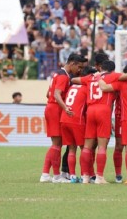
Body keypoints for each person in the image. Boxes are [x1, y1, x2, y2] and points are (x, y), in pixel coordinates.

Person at [71, 60, 122, 184]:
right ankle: (99, 177)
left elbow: (74, 80)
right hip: (103, 110)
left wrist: (91, 79)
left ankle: (85, 177)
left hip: (91, 110)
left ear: (101, 68)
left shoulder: (91, 77)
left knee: (87, 146)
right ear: (112, 70)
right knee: (102, 146)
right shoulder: (114, 76)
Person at [40, 53, 86, 183]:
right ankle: (56, 176)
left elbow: (48, 93)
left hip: (51, 107)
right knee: (57, 144)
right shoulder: (64, 77)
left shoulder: (57, 73)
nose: (79, 70)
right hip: (55, 109)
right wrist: (65, 107)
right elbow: (55, 94)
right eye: (79, 67)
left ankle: (45, 174)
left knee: (56, 144)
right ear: (72, 64)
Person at [61, 66, 96, 183]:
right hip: (77, 120)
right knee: (84, 148)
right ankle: (84, 175)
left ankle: (72, 176)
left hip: (64, 118)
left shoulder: (72, 86)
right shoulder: (87, 88)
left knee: (71, 148)